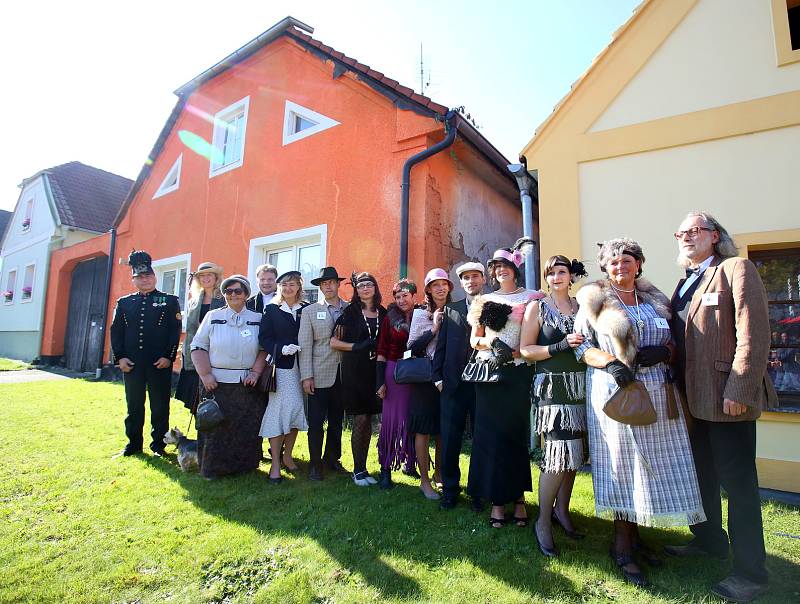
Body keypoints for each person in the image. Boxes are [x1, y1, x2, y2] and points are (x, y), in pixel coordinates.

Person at [573, 237, 705, 587]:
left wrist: (667, 353)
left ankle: (636, 536)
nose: (621, 266)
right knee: (623, 463)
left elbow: (675, 340)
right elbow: (582, 347)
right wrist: (610, 363)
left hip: (658, 392)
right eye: (613, 261)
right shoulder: (594, 301)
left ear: (638, 264)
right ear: (605, 267)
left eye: (627, 260)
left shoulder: (654, 300)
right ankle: (621, 546)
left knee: (651, 465)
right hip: (617, 391)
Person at [666, 212, 776, 603]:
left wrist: (741, 388)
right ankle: (710, 540)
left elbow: (754, 332)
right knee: (702, 477)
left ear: (715, 235)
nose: (686, 237)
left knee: (739, 487)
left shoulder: (735, 269)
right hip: (692, 401)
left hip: (728, 398)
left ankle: (751, 573)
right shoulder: (684, 284)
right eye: (681, 232)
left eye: (694, 230)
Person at [466, 240, 543, 528]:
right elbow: (474, 339)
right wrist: (493, 342)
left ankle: (519, 499)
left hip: (518, 372)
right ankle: (497, 501)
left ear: (515, 269)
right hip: (489, 374)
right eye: (496, 267)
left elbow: (535, 336)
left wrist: (512, 352)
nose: (500, 271)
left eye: (505, 266)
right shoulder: (483, 301)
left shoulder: (533, 298)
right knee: (490, 438)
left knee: (514, 436)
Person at [519, 255, 588, 557]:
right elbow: (525, 349)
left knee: (574, 455)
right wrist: (558, 346)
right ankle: (543, 521)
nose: (557, 277)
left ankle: (563, 510)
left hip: (583, 388)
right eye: (551, 273)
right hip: (552, 388)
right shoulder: (538, 307)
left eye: (562, 272)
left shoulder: (583, 307)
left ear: (570, 276)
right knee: (558, 455)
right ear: (546, 278)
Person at [190, 275, 268, 479]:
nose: (233, 295)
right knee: (215, 429)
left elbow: (263, 349)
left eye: (238, 291)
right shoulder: (212, 316)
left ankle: (245, 468)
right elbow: (198, 346)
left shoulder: (257, 319)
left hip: (246, 385)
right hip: (215, 383)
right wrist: (205, 375)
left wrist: (256, 372)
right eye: (229, 291)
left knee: (245, 428)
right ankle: (212, 469)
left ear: (246, 295)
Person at [110, 250, 181, 457]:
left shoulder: (168, 301)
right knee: (134, 405)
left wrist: (168, 357)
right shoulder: (124, 303)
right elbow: (116, 331)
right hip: (132, 363)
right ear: (134, 280)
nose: (145, 280)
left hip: (158, 362)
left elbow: (174, 331)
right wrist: (120, 357)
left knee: (160, 405)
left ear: (155, 277)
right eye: (140, 277)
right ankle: (133, 443)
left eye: (148, 276)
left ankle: (158, 444)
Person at [433, 261, 487, 511]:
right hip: (452, 385)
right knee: (450, 440)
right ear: (462, 283)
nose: (471, 281)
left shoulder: (494, 306)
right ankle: (450, 490)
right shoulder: (451, 309)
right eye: (466, 278)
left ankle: (478, 492)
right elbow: (441, 346)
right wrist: (438, 378)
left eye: (475, 277)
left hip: (483, 385)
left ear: (483, 280)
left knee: (481, 440)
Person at [331, 272, 387, 486]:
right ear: (357, 289)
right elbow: (334, 342)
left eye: (369, 284)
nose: (365, 288)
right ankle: (358, 471)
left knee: (371, 420)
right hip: (354, 371)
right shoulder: (350, 313)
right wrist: (356, 346)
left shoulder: (382, 312)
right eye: (361, 285)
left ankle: (366, 468)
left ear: (375, 288)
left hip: (375, 370)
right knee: (360, 419)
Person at [298, 266, 349, 481]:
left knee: (337, 421)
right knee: (317, 422)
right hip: (318, 375)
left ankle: (332, 459)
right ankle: (315, 463)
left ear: (338, 284)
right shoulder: (309, 311)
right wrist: (306, 376)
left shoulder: (350, 309)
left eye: (331, 282)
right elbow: (305, 344)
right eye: (323, 283)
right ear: (320, 287)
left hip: (344, 374)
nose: (328, 286)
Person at [259, 271, 310, 484]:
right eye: (284, 285)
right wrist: (280, 349)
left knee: (297, 411)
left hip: (305, 367)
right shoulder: (271, 309)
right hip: (282, 367)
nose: (288, 288)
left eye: (292, 285)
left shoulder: (306, 309)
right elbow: (264, 337)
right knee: (279, 412)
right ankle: (276, 463)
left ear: (299, 287)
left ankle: (287, 455)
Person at [406, 268, 452, 500]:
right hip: (425, 380)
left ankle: (439, 474)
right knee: (423, 430)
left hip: (448, 378)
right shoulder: (419, 314)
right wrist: (434, 327)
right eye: (435, 285)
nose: (441, 288)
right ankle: (424, 482)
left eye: (444, 284)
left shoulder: (456, 311)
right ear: (428, 290)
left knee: (443, 430)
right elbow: (411, 347)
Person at [375, 279, 418, 489]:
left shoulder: (422, 314)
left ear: (413, 296)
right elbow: (381, 350)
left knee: (412, 418)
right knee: (392, 421)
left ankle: (410, 463)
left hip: (417, 373)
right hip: (394, 371)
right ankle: (385, 468)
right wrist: (380, 381)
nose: (401, 300)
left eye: (405, 296)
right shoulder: (389, 319)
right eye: (398, 296)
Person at [175, 262, 225, 412]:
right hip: (194, 358)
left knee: (217, 403)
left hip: (217, 355)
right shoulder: (193, 302)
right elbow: (190, 330)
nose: (205, 278)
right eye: (202, 276)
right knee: (197, 405)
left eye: (209, 275)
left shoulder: (224, 299)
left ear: (216, 278)